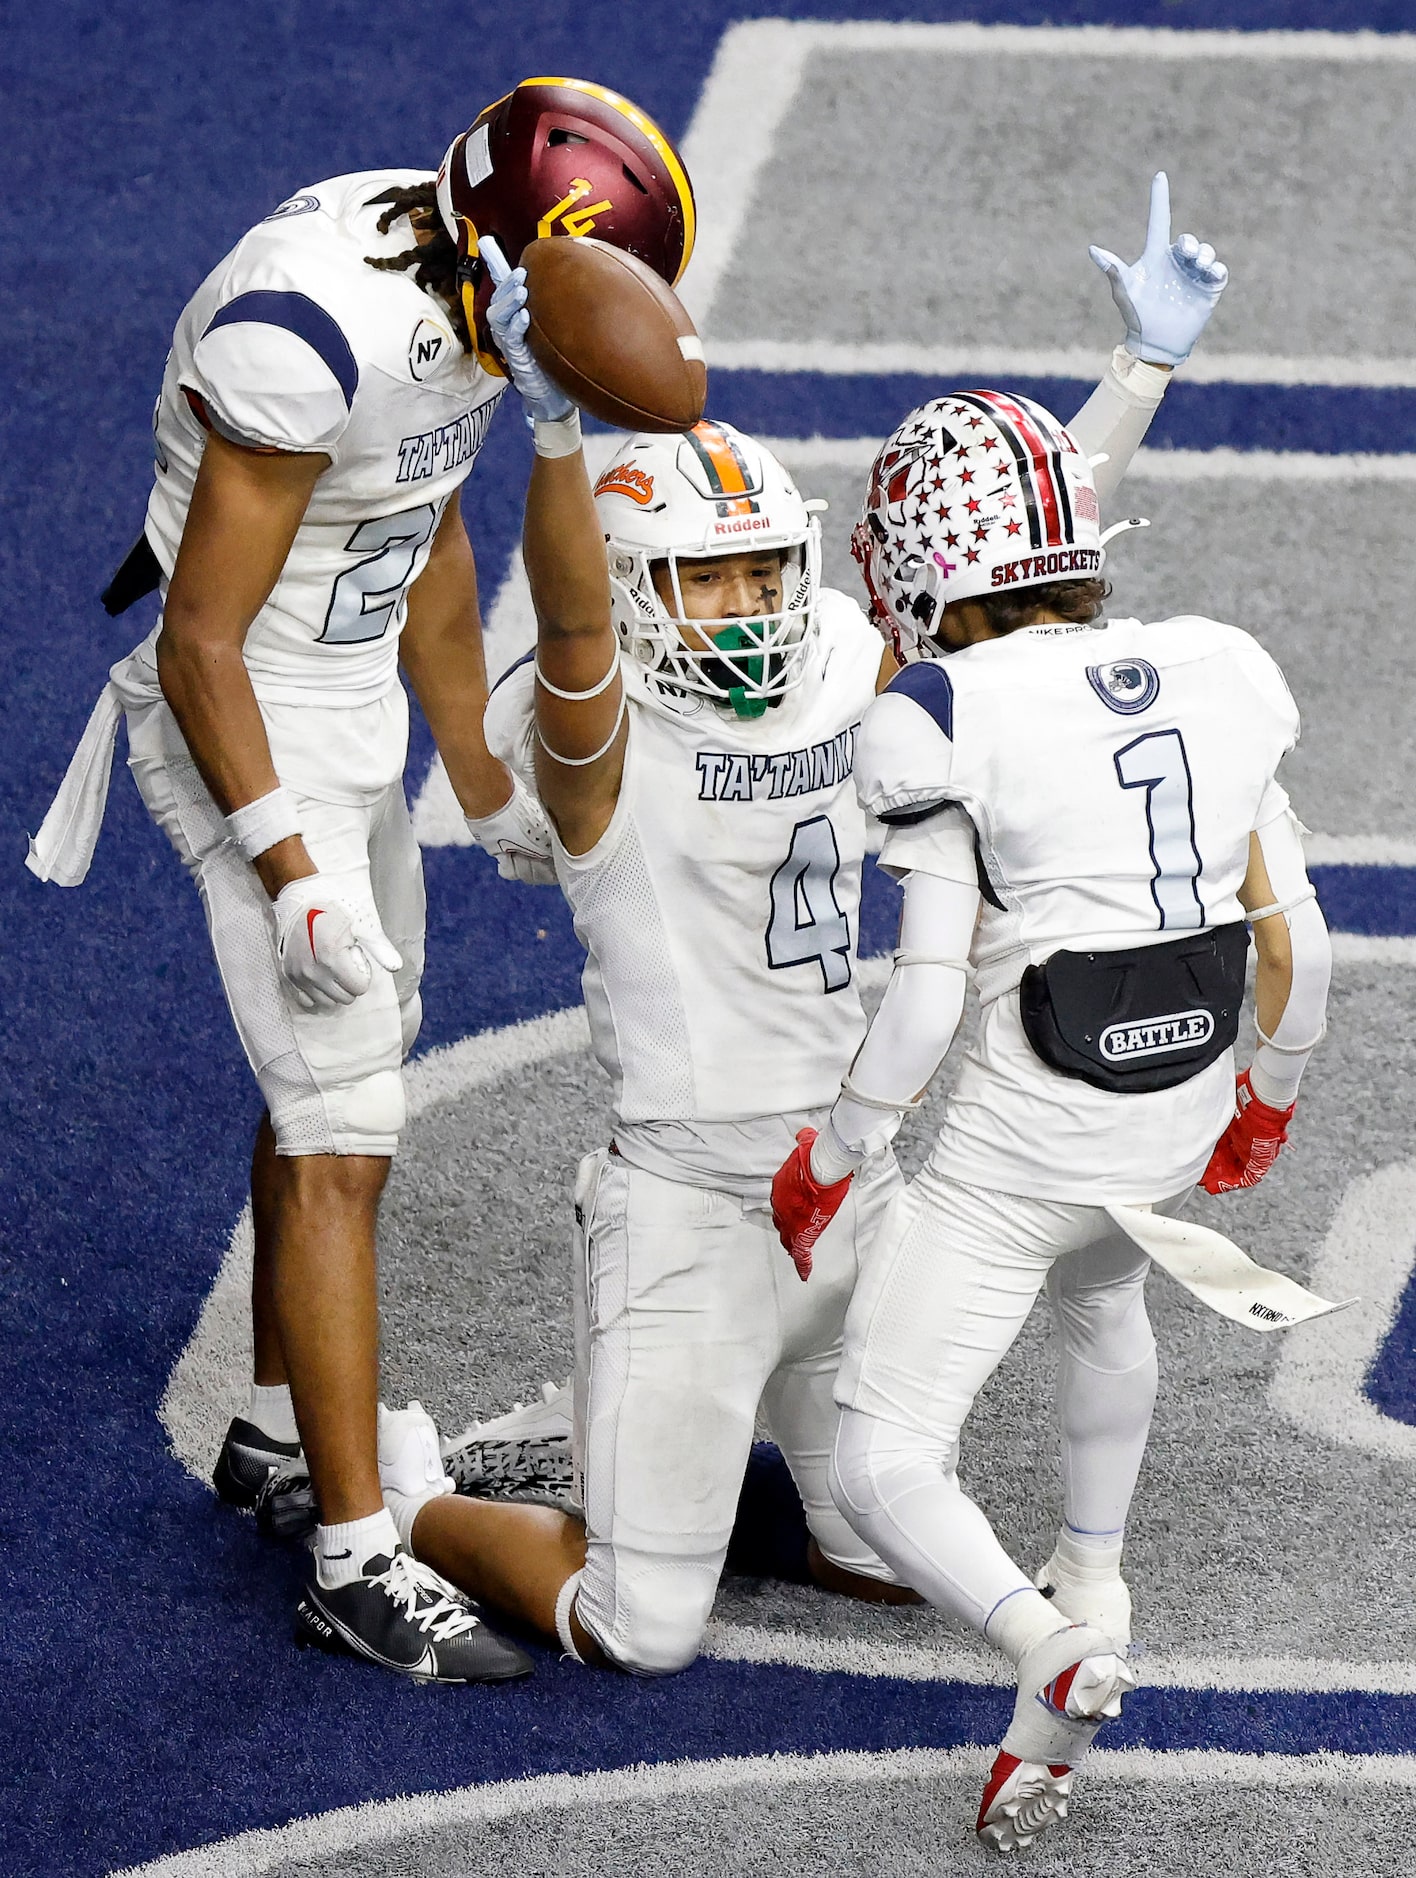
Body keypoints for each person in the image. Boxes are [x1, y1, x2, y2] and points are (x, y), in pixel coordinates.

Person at [369, 178, 1236, 1677]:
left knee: (877, 1548)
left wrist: (1136, 375)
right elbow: (574, 635)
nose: (754, 600)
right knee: (643, 1632)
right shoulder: (595, 735)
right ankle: (412, 1496)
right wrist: (556, 435)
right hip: (698, 1210)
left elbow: (1001, 579)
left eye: (770, 564)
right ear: (639, 591)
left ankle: (630, 1445)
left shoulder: (846, 653)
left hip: (857, 1191)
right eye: (707, 575)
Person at [25, 78, 695, 1683]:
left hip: (342, 698)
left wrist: (475, 771)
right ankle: (351, 1555)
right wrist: (286, 864)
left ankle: (270, 1431)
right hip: (244, 710)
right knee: (346, 1139)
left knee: (337, 1087)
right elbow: (197, 640)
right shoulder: (309, 329)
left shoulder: (461, 270)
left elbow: (426, 529)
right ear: (504, 251)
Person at [768, 381, 1334, 1846]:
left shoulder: (940, 711)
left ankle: (1047, 1639)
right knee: (1103, 1292)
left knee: (886, 1451)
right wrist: (1260, 1108)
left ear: (916, 569)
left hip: (1023, 1143)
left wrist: (831, 1157)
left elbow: (925, 1001)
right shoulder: (1218, 664)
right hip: (1173, 1104)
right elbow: (1302, 956)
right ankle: (1097, 1569)